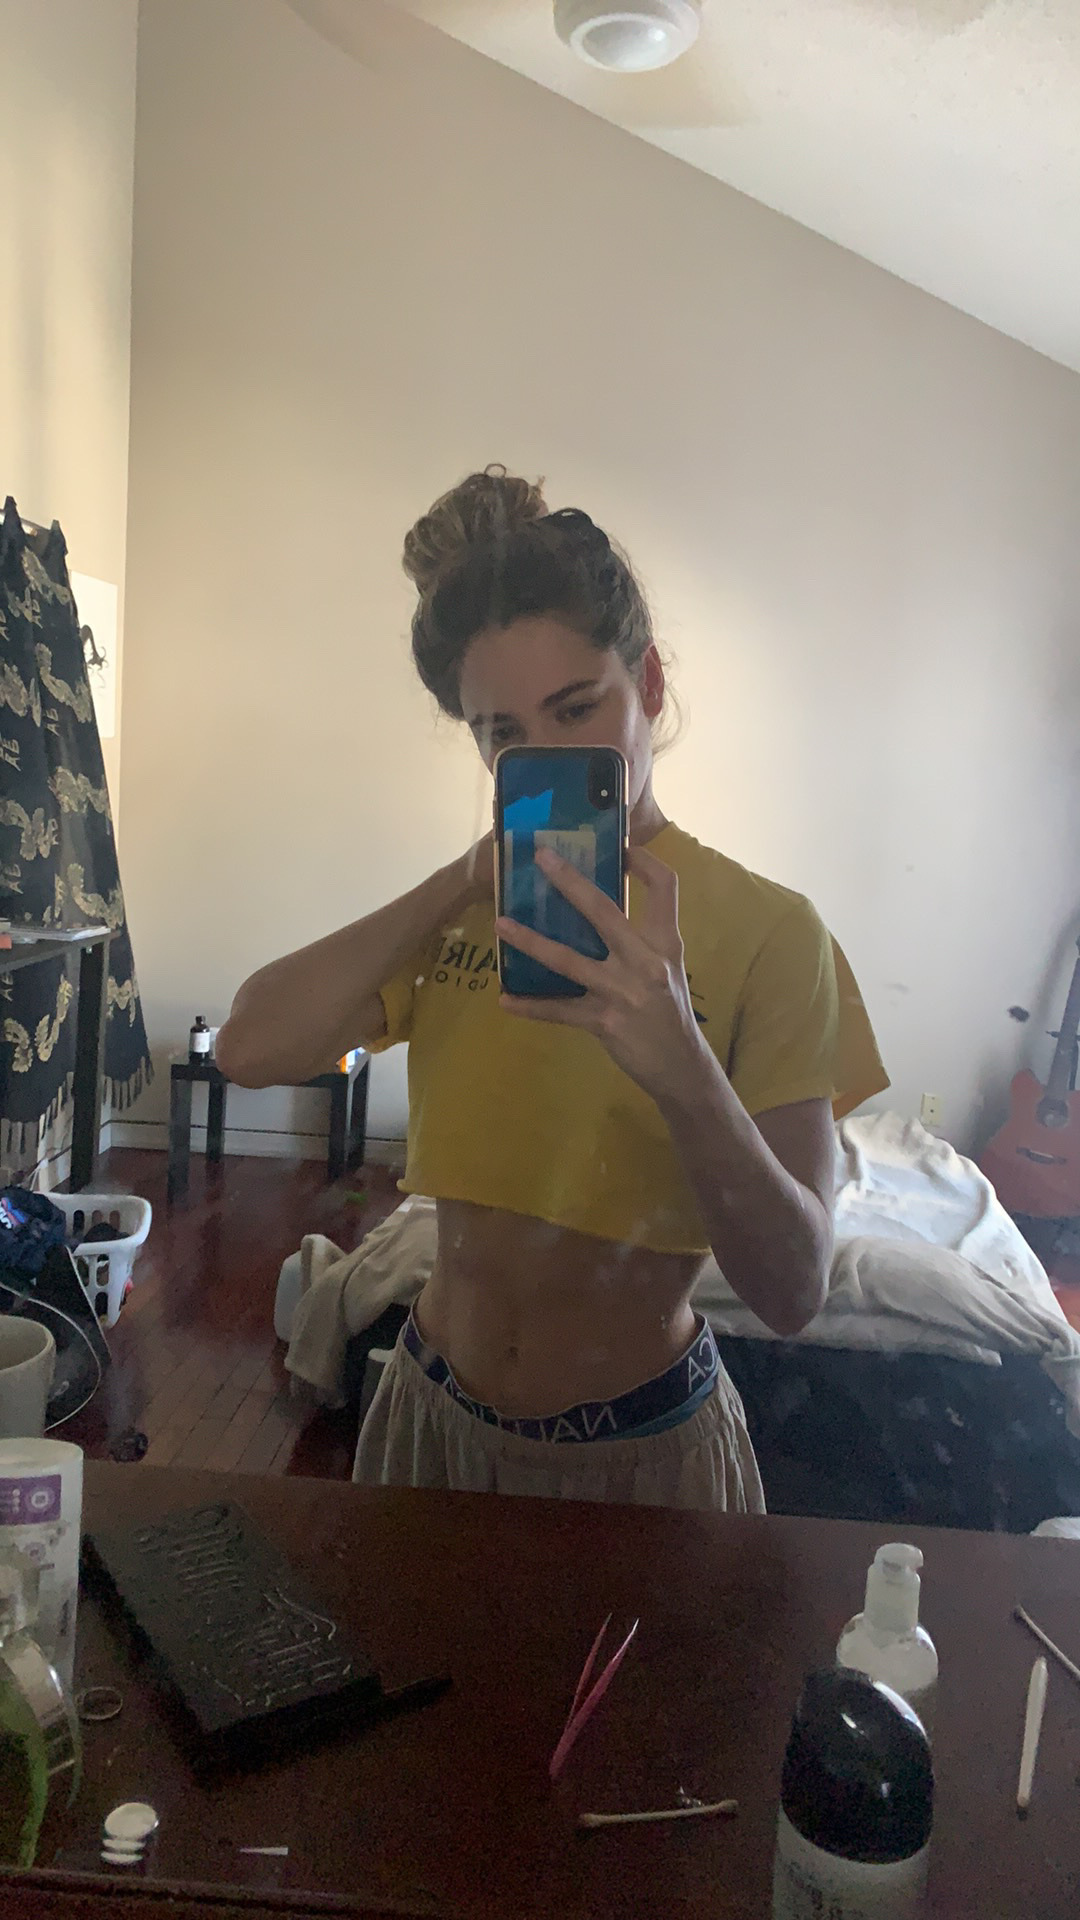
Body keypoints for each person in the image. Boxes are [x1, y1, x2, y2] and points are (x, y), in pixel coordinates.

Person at [217, 466, 887, 1511]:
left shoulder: (772, 931)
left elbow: (793, 1289)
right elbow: (247, 1048)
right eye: (503, 733)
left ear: (649, 684)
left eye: (578, 707)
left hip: (645, 1455)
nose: (547, 754)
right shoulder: (467, 910)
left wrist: (682, 1065)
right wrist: (459, 880)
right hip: (428, 1423)